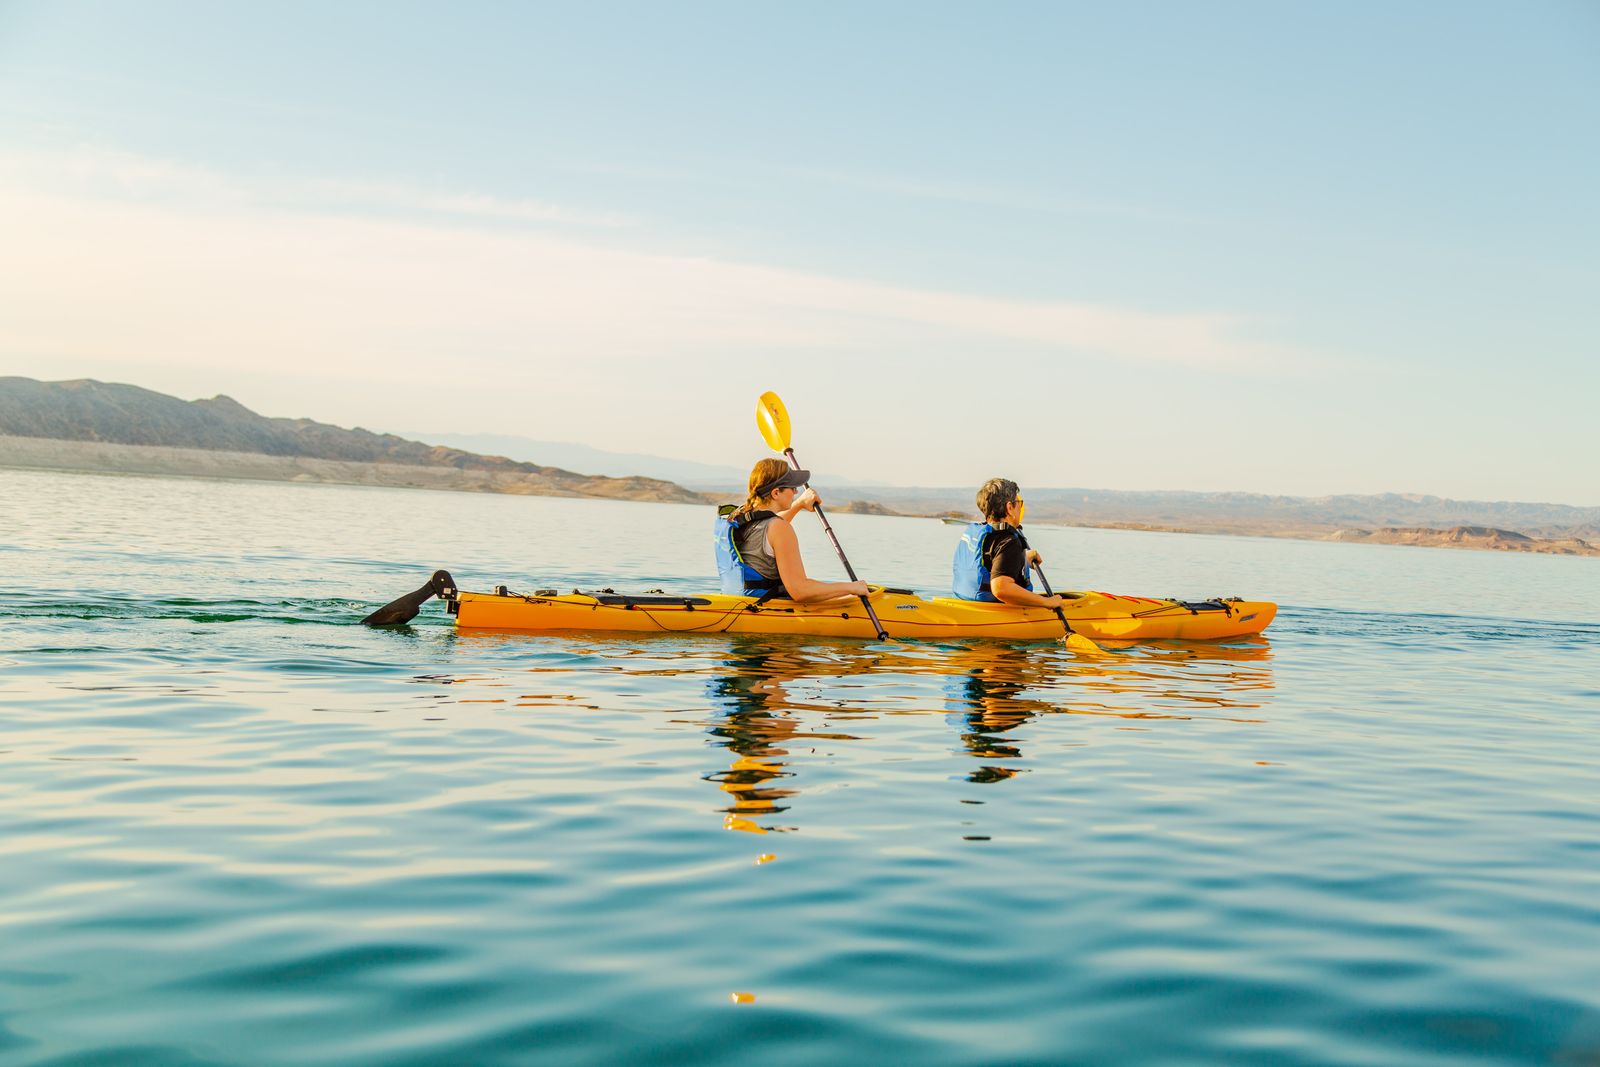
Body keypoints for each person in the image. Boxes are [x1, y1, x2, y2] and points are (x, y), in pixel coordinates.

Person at [715, 458, 871, 604]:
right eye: (792, 487)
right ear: (776, 493)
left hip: (735, 602)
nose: (796, 492)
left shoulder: (739, 517)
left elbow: (770, 531)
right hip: (765, 608)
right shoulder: (780, 528)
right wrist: (852, 587)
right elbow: (799, 590)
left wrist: (799, 504)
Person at [951, 477, 1065, 608]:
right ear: (1010, 507)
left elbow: (989, 561)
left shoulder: (982, 534)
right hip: (990, 614)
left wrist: (1023, 561)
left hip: (962, 603)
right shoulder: (1008, 542)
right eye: (1019, 503)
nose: (1020, 507)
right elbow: (1001, 589)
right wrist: (1046, 602)